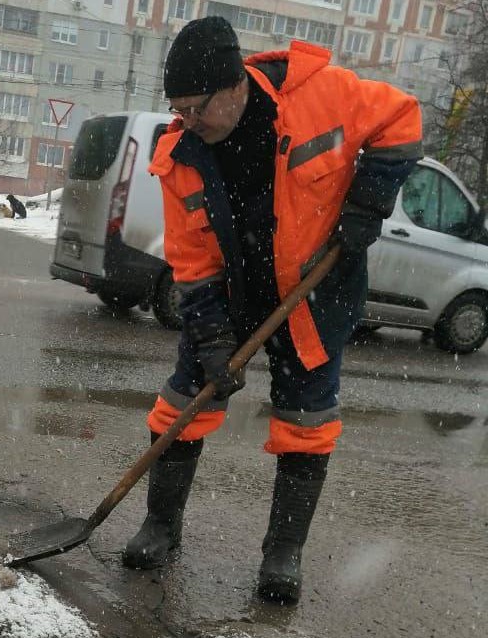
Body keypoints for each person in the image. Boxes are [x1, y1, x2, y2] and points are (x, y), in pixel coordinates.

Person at [121, 17, 422, 603]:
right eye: (177, 109)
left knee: (306, 422)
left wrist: (370, 199)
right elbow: (191, 255)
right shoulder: (180, 152)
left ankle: (282, 554)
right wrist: (209, 334)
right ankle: (161, 524)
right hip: (232, 296)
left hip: (314, 292)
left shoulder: (322, 94)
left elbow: (401, 119)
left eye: (196, 108)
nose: (187, 121)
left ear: (234, 86)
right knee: (182, 403)